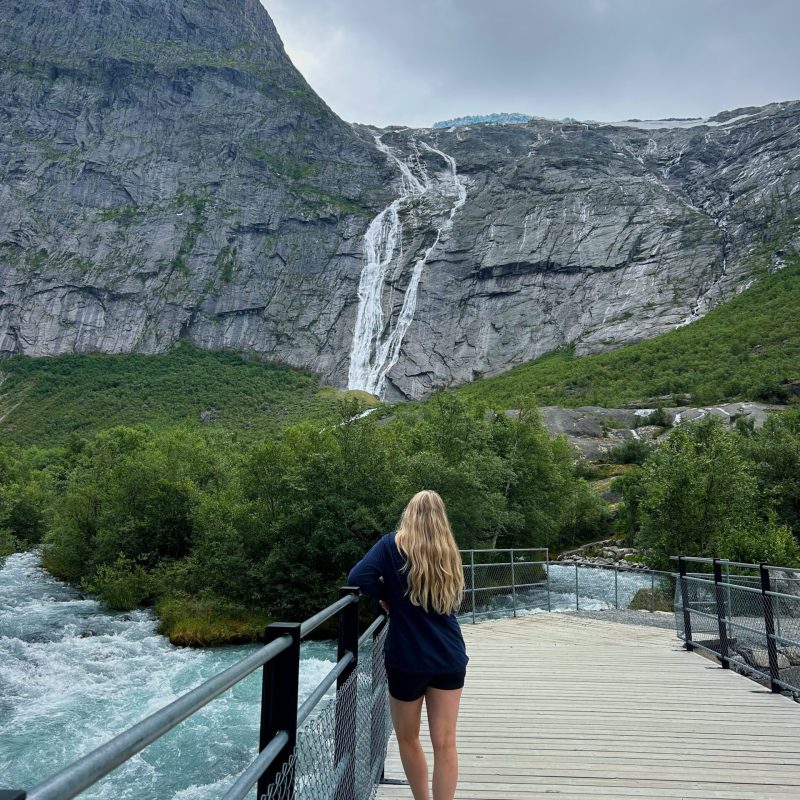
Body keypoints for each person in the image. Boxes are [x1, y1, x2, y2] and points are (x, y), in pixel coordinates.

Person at [348, 490, 468, 800]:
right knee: (445, 742)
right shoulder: (449, 551)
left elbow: (358, 576)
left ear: (409, 514)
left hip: (406, 657)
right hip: (448, 655)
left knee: (407, 737)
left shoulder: (391, 545)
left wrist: (386, 595)